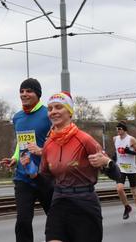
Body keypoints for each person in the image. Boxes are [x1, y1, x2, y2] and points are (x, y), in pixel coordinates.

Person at [22, 92, 120, 242]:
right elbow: (46, 182)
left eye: (58, 107)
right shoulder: (49, 144)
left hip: (84, 204)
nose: (53, 112)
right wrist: (33, 173)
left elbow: (117, 175)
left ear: (69, 112)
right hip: (59, 202)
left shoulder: (85, 140)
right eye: (50, 108)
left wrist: (108, 164)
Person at [0, 78, 53, 242]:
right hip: (23, 177)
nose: (24, 94)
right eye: (22, 91)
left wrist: (41, 151)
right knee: (22, 222)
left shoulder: (48, 114)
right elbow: (20, 144)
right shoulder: (17, 118)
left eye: (29, 91)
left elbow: (58, 142)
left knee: (55, 220)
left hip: (45, 176)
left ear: (37, 94)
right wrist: (14, 159)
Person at [113, 120, 136, 222]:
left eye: (119, 129)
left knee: (134, 191)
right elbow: (116, 152)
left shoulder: (131, 139)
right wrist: (113, 159)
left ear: (124, 130)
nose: (118, 130)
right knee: (119, 189)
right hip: (120, 167)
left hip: (130, 168)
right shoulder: (115, 139)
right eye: (117, 129)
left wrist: (129, 151)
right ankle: (127, 207)